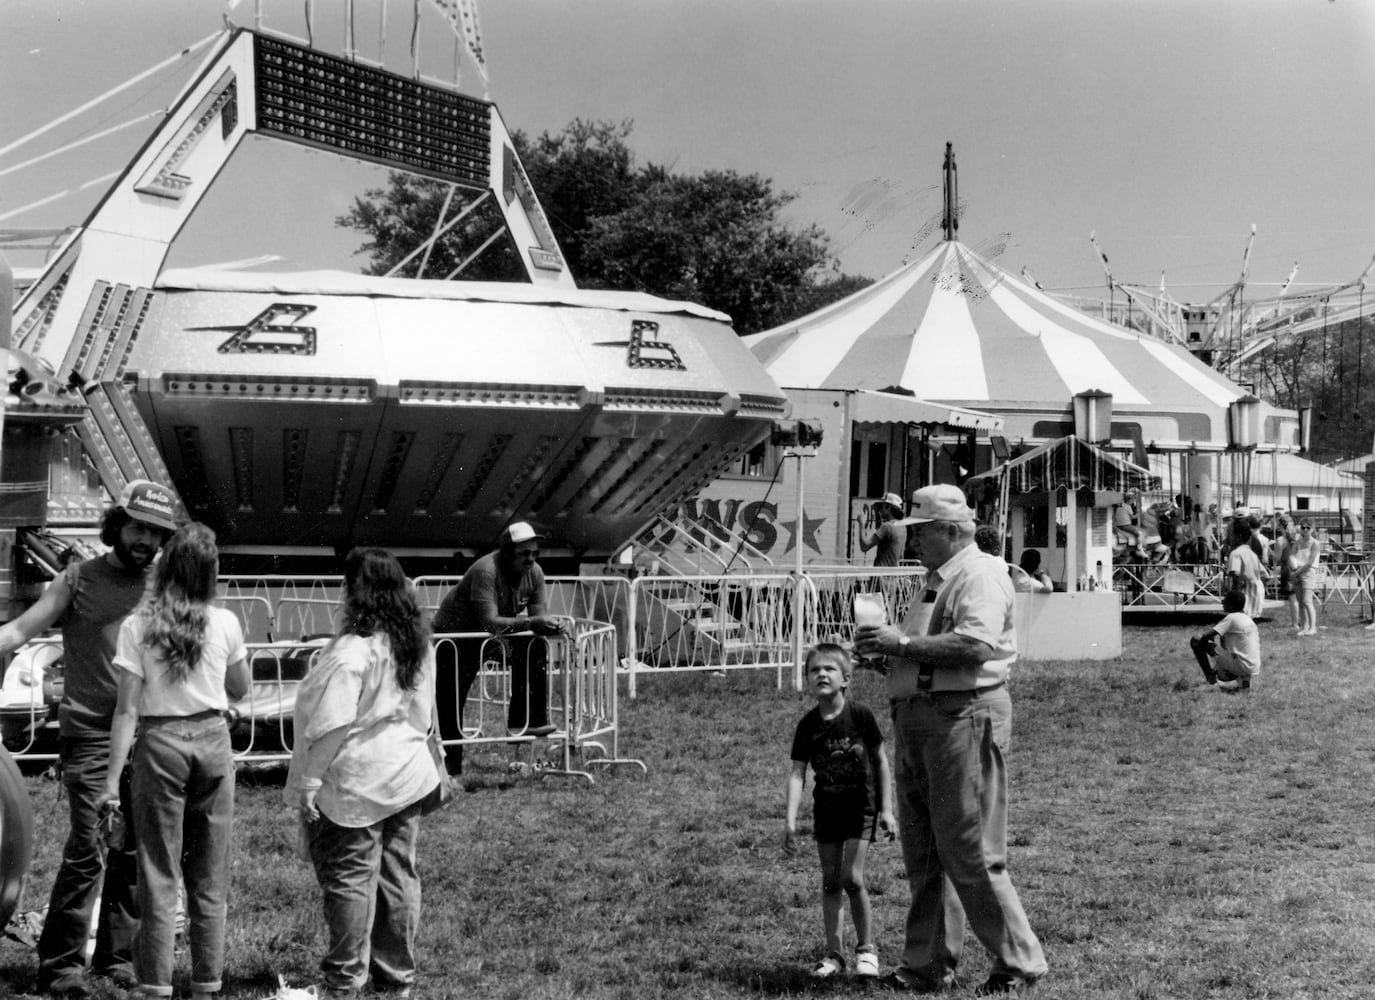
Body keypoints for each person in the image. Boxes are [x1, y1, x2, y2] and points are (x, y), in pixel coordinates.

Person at [855, 484, 1047, 996]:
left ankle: (1019, 963)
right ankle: (927, 965)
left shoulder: (980, 573)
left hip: (962, 717)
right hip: (925, 718)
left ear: (950, 530)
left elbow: (975, 646)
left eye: (919, 531)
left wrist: (904, 644)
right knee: (924, 852)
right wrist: (889, 657)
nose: (911, 540)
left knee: (970, 850)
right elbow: (930, 651)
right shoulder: (937, 578)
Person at [0, 479, 181, 998]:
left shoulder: (165, 586)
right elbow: (18, 632)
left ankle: (114, 959)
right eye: (139, 527)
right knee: (89, 848)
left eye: (157, 532)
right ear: (117, 525)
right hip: (92, 737)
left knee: (133, 850)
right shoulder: (77, 579)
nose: (146, 539)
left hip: (153, 737)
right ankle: (59, 967)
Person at [99, 524, 250, 999]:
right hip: (211, 739)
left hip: (159, 742)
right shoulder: (224, 623)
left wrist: (108, 782)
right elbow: (241, 688)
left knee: (158, 873)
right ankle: (206, 986)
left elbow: (126, 711)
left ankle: (156, 987)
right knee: (209, 877)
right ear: (209, 572)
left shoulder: (136, 626)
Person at [286, 548, 442, 999]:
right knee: (398, 875)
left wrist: (310, 782)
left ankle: (345, 980)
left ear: (355, 591)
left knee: (351, 881)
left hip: (355, 781)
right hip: (406, 773)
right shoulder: (414, 642)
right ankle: (396, 980)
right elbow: (423, 715)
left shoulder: (351, 653)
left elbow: (333, 724)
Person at [784, 643, 895, 981]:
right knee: (831, 881)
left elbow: (880, 761)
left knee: (852, 878)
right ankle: (834, 954)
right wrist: (789, 821)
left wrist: (887, 809)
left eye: (829, 669)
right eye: (814, 669)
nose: (821, 674)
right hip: (827, 812)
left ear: (846, 678)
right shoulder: (808, 725)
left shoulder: (860, 715)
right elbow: (797, 773)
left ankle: (866, 950)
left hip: (860, 809)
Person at [431, 522, 567, 772]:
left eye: (535, 554)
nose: (531, 560)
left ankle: (527, 721)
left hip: (487, 636)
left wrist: (549, 625)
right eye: (524, 554)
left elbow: (536, 621)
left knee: (534, 645)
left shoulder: (535, 573)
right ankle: (451, 765)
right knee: (451, 700)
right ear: (507, 552)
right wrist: (534, 621)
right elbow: (490, 622)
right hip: (455, 637)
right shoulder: (486, 571)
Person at [1190, 589, 1260, 692]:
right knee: (1228, 644)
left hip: (1240, 665)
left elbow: (1205, 637)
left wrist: (1203, 651)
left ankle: (1211, 678)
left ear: (1231, 605)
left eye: (1225, 600)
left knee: (1196, 640)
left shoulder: (1231, 618)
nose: (1222, 603)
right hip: (1253, 666)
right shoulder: (1248, 619)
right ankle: (1244, 682)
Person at [1225, 518, 1269, 619]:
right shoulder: (1252, 554)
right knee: (1250, 621)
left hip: (1246, 591)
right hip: (1258, 589)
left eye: (1231, 536)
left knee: (1240, 619)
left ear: (1238, 537)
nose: (1230, 539)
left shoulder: (1236, 553)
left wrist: (1234, 594)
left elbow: (1235, 574)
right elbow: (1265, 575)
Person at [1287, 520, 1321, 636]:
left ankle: (1313, 627)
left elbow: (1310, 563)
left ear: (1312, 529)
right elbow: (1291, 555)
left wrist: (1295, 573)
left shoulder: (1315, 543)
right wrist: (1293, 571)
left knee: (1307, 601)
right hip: (1297, 572)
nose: (1305, 529)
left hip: (1308, 573)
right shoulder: (1298, 541)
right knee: (1301, 602)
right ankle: (1304, 627)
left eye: (1308, 527)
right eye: (1303, 527)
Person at [856, 493, 908, 567]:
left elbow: (864, 546)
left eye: (881, 506)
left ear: (889, 507)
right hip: (893, 574)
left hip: (880, 574)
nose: (879, 510)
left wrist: (862, 524)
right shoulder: (902, 527)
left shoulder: (886, 527)